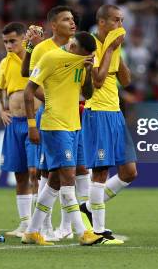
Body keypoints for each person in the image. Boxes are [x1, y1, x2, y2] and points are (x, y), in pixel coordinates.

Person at [21, 31, 101, 246]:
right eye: (85, 56)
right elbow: (28, 92)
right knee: (68, 179)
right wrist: (31, 126)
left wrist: (88, 70)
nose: (86, 59)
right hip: (54, 126)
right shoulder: (50, 58)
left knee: (55, 182)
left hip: (74, 126)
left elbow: (88, 94)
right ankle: (83, 232)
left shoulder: (81, 61)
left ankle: (31, 231)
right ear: (73, 47)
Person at [80, 5, 138, 244]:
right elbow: (98, 81)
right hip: (97, 112)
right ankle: (100, 231)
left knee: (129, 172)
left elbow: (126, 80)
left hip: (115, 112)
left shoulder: (115, 45)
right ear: (102, 22)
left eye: (122, 20)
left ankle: (87, 206)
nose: (120, 26)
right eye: (116, 20)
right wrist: (111, 48)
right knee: (101, 172)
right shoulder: (89, 46)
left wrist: (117, 51)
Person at [0, 22, 41, 237]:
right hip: (14, 124)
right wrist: (1, 110)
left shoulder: (36, 57)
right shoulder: (4, 63)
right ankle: (24, 224)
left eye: (12, 40)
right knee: (20, 175)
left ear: (24, 39)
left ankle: (39, 223)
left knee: (35, 172)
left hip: (34, 122)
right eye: (5, 41)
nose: (8, 45)